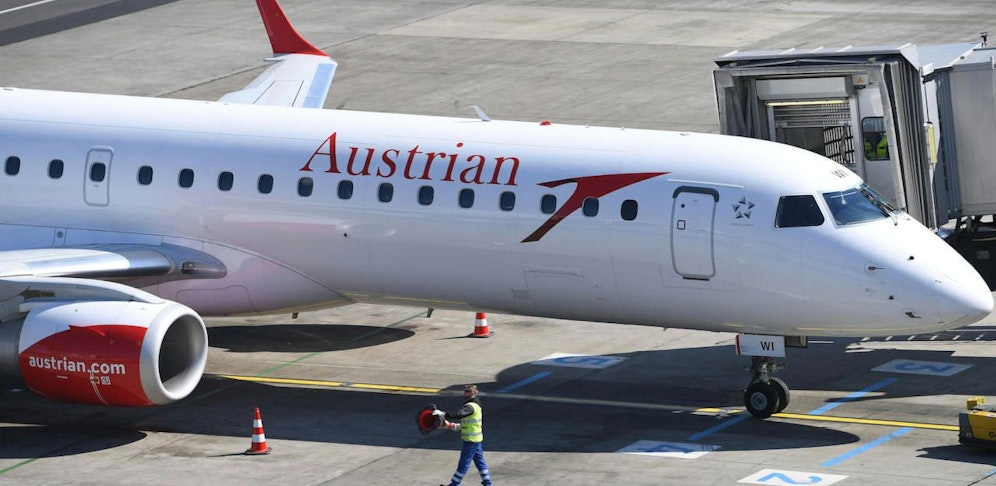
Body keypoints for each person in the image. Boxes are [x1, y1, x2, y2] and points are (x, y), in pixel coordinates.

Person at [433, 384, 493, 486]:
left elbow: (459, 414)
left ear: (474, 393)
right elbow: (467, 423)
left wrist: (443, 413)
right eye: (465, 391)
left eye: (468, 391)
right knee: (479, 461)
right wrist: (450, 425)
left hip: (471, 440)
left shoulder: (471, 407)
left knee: (464, 462)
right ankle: (487, 482)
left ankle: (455, 484)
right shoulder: (474, 405)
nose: (465, 393)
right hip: (476, 439)